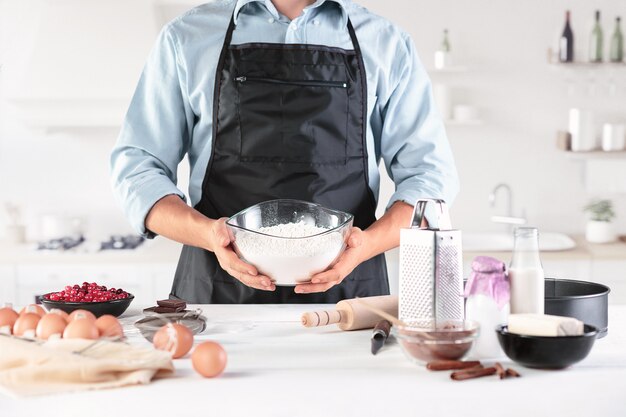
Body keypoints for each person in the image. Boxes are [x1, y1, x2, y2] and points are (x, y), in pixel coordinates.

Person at [110, 0, 459, 304]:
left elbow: (430, 179)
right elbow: (138, 169)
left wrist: (366, 245)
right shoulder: (187, 37)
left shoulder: (386, 43)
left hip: (349, 303)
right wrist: (208, 235)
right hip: (217, 300)